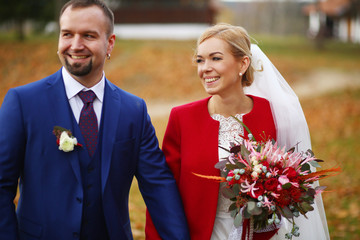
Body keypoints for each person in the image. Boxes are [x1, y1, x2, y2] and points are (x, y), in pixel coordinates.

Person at [0, 0, 190, 239]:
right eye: (67, 34)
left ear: (109, 43)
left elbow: (158, 186)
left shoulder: (134, 110)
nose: (75, 45)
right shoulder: (22, 102)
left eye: (88, 35)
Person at [145, 23, 329, 239]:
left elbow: (294, 183)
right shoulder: (182, 118)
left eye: (215, 58)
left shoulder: (274, 114)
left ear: (243, 63)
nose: (204, 68)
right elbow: (164, 192)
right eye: (200, 60)